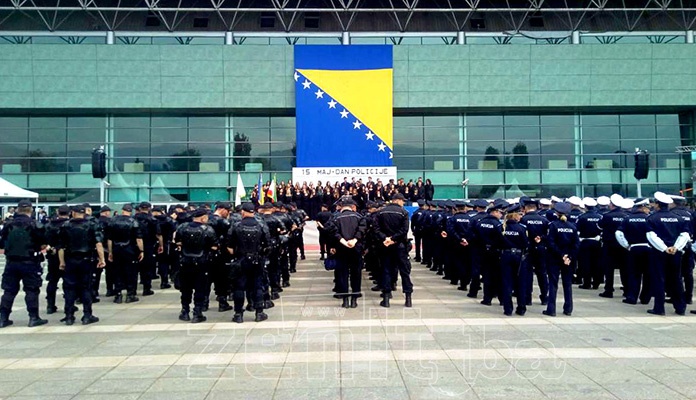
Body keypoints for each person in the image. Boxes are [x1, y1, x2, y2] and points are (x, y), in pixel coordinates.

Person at [0, 199, 48, 328]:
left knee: (9, 291)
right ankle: (33, 317)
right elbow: (43, 243)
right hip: (30, 261)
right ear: (31, 210)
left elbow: (2, 242)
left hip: (11, 262)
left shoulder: (8, 224)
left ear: (17, 209)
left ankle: (3, 318)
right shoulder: (35, 224)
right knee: (31, 290)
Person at [58, 204, 106, 325]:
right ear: (84, 213)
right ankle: (87, 315)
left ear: (73, 213)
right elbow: (98, 243)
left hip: (70, 259)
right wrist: (102, 259)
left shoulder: (65, 225)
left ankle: (69, 316)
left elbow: (61, 246)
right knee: (86, 287)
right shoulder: (91, 225)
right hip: (86, 259)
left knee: (69, 288)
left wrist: (62, 262)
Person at [646, 192, 690, 316]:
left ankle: (659, 308)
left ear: (657, 204)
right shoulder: (678, 218)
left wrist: (664, 248)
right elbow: (685, 235)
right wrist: (675, 247)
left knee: (659, 279)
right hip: (675, 253)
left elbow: (651, 236)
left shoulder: (652, 218)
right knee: (676, 279)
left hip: (658, 253)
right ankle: (680, 307)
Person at [228, 203, 269, 323]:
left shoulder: (236, 225)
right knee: (257, 286)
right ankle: (259, 313)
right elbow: (268, 245)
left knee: (239, 287)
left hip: (241, 259)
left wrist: (237, 254)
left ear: (243, 212)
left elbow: (229, 247)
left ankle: (238, 314)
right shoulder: (261, 225)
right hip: (257, 259)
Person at [175, 208, 218, 323]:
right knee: (200, 287)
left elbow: (178, 242)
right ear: (203, 218)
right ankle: (197, 312)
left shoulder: (182, 227)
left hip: (185, 260)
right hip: (202, 262)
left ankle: (185, 311)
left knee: (185, 288)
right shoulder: (208, 230)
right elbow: (214, 246)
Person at [325, 198, 367, 308]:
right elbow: (363, 230)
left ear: (341, 206)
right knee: (356, 273)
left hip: (341, 249)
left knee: (342, 274)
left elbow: (331, 232)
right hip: (356, 249)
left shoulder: (335, 217)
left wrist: (340, 242)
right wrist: (354, 240)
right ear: (352, 206)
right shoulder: (359, 217)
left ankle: (345, 300)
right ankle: (354, 298)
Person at [374, 193, 413, 308]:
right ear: (397, 200)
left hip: (385, 245)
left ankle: (386, 297)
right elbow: (404, 230)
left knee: (386, 270)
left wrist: (386, 238)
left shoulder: (380, 212)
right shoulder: (404, 212)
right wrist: (394, 239)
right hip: (399, 245)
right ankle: (408, 298)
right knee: (404, 272)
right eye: (402, 201)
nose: (403, 203)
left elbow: (376, 229)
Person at [543, 202, 579, 317]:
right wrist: (569, 256)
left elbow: (551, 243)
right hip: (568, 259)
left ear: (556, 213)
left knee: (553, 284)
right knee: (567, 284)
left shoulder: (553, 225)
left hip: (554, 258)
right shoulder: (572, 226)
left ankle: (551, 309)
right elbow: (576, 244)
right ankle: (568, 308)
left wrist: (561, 255)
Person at [615, 198, 651, 305]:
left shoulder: (627, 219)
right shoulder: (649, 219)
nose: (648, 209)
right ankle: (645, 298)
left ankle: (632, 297)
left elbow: (618, 233)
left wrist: (626, 245)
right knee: (648, 274)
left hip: (634, 248)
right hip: (648, 249)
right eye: (647, 207)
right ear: (643, 207)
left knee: (634, 274)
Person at [107, 204, 144, 304]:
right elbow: (139, 238)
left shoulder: (113, 221)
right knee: (131, 272)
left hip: (117, 249)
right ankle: (130, 294)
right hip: (130, 250)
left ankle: (118, 294)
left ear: (122, 210)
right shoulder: (133, 222)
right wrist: (141, 251)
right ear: (130, 211)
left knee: (117, 272)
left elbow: (110, 239)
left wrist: (110, 252)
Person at [499, 203, 529, 316]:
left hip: (505, 256)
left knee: (507, 282)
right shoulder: (521, 228)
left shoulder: (502, 228)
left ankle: (508, 309)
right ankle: (521, 308)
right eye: (519, 214)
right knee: (521, 282)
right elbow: (525, 244)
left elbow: (498, 242)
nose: (521, 216)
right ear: (515, 215)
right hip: (519, 256)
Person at [598, 194, 628, 299]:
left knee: (609, 268)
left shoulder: (607, 216)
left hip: (609, 244)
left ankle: (609, 290)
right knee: (624, 268)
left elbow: (599, 226)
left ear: (612, 204)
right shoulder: (626, 216)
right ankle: (626, 290)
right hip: (623, 245)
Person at [45, 205, 71, 315]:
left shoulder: (50, 225)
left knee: (52, 281)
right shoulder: (70, 225)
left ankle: (50, 305)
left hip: (52, 255)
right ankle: (69, 305)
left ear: (57, 212)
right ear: (69, 213)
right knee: (69, 282)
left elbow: (45, 239)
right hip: (68, 256)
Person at [207, 202, 233, 312]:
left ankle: (203, 303)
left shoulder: (206, 219)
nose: (229, 213)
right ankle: (222, 302)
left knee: (206, 279)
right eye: (228, 211)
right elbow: (229, 237)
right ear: (222, 209)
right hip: (221, 254)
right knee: (221, 279)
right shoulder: (223, 222)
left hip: (205, 253)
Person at [576, 198, 603, 290]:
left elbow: (577, 230)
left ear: (585, 207)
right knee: (596, 263)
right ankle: (596, 283)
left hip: (585, 242)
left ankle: (587, 283)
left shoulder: (581, 217)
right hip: (597, 241)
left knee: (585, 263)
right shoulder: (600, 217)